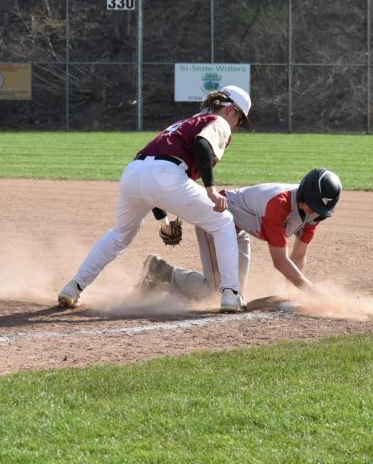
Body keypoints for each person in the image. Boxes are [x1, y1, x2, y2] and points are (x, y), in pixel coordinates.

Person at [57, 85, 253, 312]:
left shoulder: (183, 123)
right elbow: (202, 145)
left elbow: (151, 180)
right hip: (165, 174)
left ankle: (73, 287)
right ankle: (231, 293)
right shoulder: (217, 122)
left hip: (134, 172)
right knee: (223, 221)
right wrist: (211, 189)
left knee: (120, 234)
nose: (237, 127)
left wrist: (163, 222)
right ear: (231, 110)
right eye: (240, 120)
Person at [136, 168, 342, 303]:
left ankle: (173, 289)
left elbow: (298, 257)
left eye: (319, 211)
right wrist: (312, 291)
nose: (314, 213)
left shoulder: (313, 215)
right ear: (304, 193)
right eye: (312, 206)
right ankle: (161, 271)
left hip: (237, 229)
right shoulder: (278, 205)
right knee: (217, 292)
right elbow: (280, 261)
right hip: (215, 220)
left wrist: (292, 294)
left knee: (234, 292)